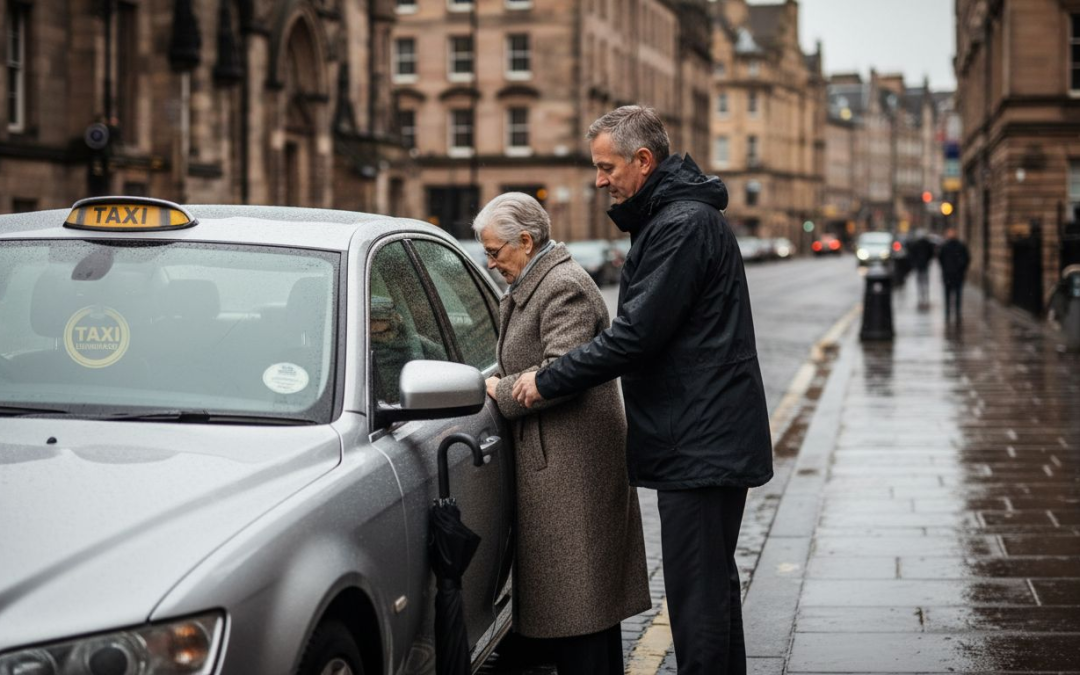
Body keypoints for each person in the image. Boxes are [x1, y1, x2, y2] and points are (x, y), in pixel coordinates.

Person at [512, 106, 773, 674]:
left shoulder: (680, 226)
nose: (600, 179)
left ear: (644, 160)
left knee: (696, 600)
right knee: (711, 588)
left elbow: (634, 337)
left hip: (700, 441)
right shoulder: (676, 219)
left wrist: (544, 381)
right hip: (705, 434)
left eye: (607, 167)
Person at [476, 192, 650, 674]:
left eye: (494, 252)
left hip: (574, 468)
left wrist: (498, 389)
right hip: (557, 463)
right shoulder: (538, 281)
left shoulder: (564, 287)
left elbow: (560, 375)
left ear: (526, 242)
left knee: (583, 605)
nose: (490, 264)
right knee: (575, 604)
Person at [938, 227, 971, 324]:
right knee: (955, 295)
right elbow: (941, 259)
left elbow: (966, 259)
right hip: (955, 275)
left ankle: (952, 313)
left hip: (952, 275)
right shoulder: (953, 246)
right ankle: (953, 313)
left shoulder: (952, 246)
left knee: (952, 295)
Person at [907, 231, 935, 306]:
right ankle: (924, 298)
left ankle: (922, 298)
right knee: (924, 282)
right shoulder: (926, 244)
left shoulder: (917, 244)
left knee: (920, 282)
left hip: (920, 265)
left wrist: (915, 262)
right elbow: (931, 253)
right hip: (923, 265)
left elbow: (912, 254)